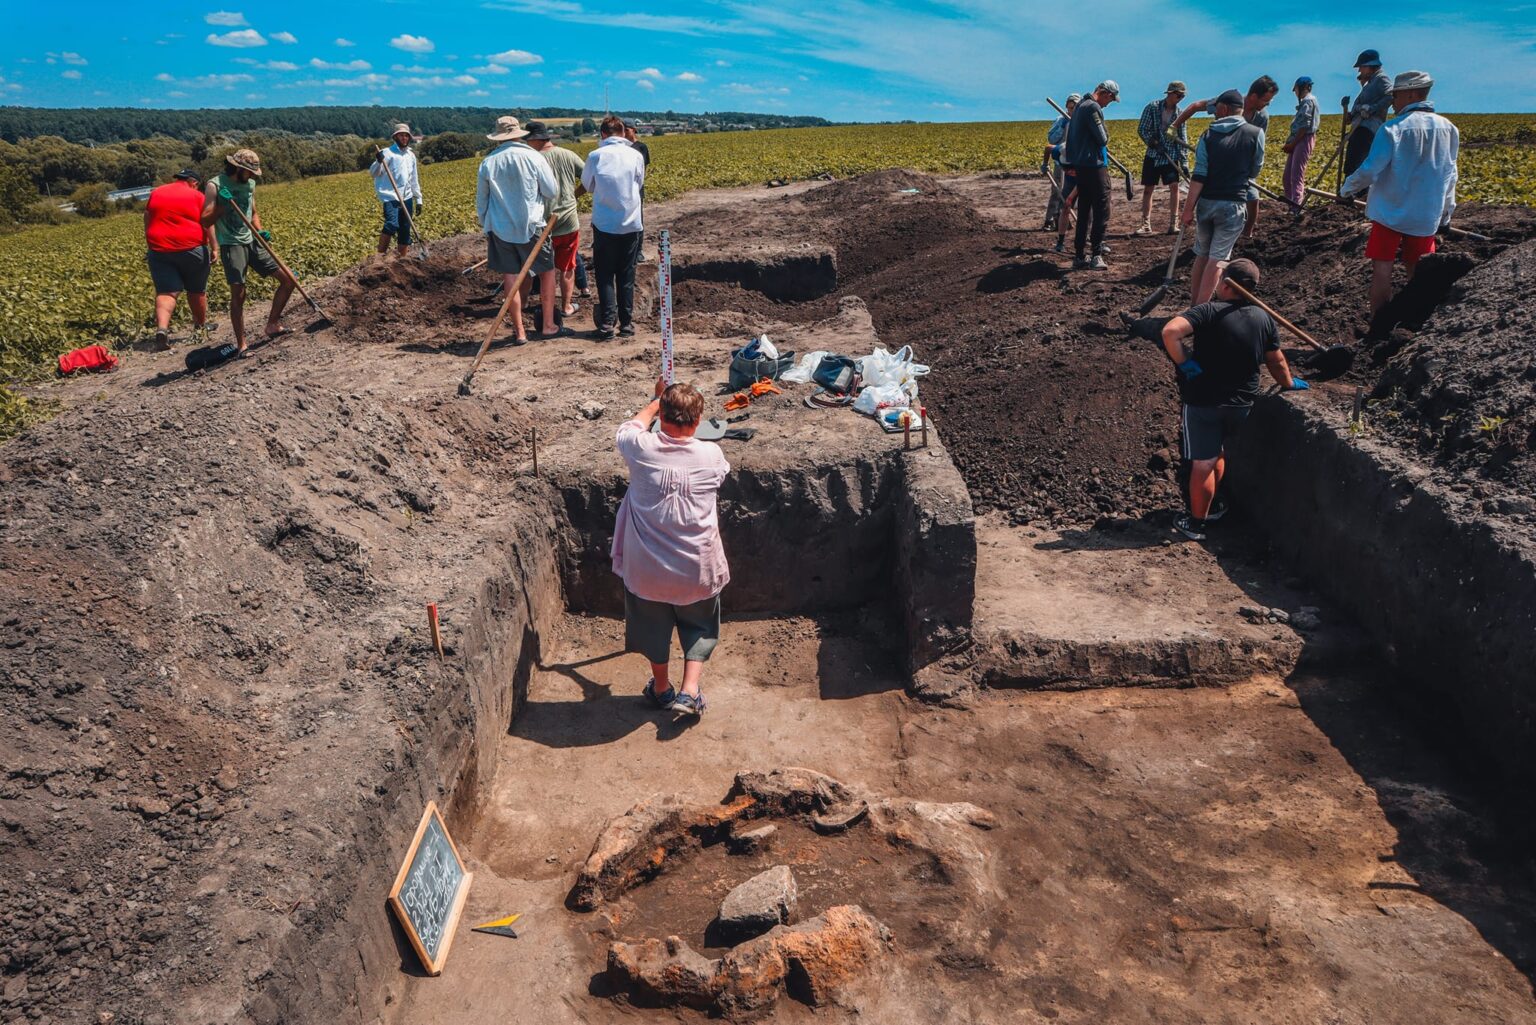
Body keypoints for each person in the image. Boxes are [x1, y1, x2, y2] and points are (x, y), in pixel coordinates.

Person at [1159, 259, 1307, 541]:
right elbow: (1275, 359)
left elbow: (1170, 332)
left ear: (1226, 285)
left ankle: (1196, 523)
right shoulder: (1263, 318)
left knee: (1202, 463)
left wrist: (1185, 362)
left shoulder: (1207, 312)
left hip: (1204, 401)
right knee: (1219, 452)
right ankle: (1213, 505)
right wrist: (1288, 383)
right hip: (1241, 404)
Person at [612, 376, 730, 718]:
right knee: (700, 625)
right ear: (697, 422)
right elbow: (719, 475)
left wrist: (655, 398)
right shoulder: (712, 454)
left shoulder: (640, 448)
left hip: (647, 570)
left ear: (661, 417)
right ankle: (689, 692)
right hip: (698, 568)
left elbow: (630, 426)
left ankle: (661, 689)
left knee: (652, 628)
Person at [1340, 70, 1459, 315]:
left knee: (1382, 269)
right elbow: (1451, 176)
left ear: (1412, 94)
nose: (1393, 101)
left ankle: (1378, 327)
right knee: (1417, 270)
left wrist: (1347, 190)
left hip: (1389, 213)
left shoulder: (1392, 129)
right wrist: (1446, 216)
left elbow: (1371, 169)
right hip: (1426, 216)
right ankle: (1417, 323)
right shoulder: (1449, 129)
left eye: (1396, 96)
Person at [476, 115, 570, 344]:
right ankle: (548, 326)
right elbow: (551, 191)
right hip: (532, 226)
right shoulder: (533, 157)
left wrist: (487, 226)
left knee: (511, 277)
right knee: (547, 272)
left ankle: (520, 332)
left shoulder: (488, 162)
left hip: (501, 228)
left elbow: (482, 202)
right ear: (519, 134)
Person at [203, 149, 297, 354]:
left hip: (251, 240)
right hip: (231, 244)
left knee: (289, 279)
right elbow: (205, 220)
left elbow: (253, 212)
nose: (253, 176)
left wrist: (260, 229)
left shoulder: (250, 185)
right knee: (239, 294)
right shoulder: (215, 185)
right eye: (249, 171)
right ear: (237, 168)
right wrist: (221, 205)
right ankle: (242, 345)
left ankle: (272, 324)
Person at [1181, 90, 1265, 305]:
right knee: (1217, 260)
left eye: (1216, 108)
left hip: (1206, 204)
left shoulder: (1207, 136)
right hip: (1233, 204)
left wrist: (1188, 209)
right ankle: (1200, 311)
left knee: (1202, 254)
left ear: (1224, 109)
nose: (1213, 112)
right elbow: (1255, 170)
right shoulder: (1255, 133)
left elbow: (1199, 175)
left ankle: (1194, 304)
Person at [1173, 76, 1278, 240]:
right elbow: (1195, 106)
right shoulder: (1230, 102)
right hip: (1218, 159)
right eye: (1265, 100)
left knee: (1253, 197)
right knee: (1208, 193)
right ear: (1253, 96)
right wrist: (1174, 126)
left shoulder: (1261, 117)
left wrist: (1248, 172)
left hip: (1240, 166)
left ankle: (1246, 236)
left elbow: (1257, 147)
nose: (1267, 105)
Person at [582, 115, 647, 339]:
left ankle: (608, 323)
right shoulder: (636, 155)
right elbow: (639, 184)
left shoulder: (595, 156)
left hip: (604, 224)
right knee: (627, 275)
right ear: (622, 132)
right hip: (631, 222)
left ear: (602, 134)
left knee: (605, 274)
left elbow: (587, 185)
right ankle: (627, 324)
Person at [143, 169, 212, 351]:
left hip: (159, 249)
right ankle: (199, 328)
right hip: (191, 248)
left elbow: (147, 216)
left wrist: (150, 242)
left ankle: (162, 330)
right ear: (193, 182)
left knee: (166, 292)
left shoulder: (156, 192)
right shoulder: (197, 195)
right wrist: (215, 247)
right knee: (196, 290)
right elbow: (207, 222)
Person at [525, 121, 587, 319]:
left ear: (535, 139)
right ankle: (567, 306)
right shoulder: (568, 154)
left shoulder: (533, 159)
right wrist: (574, 196)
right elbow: (588, 179)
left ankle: (546, 307)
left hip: (543, 223)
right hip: (569, 220)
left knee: (545, 269)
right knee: (567, 267)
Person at [1066, 80, 1119, 271]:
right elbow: (1103, 138)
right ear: (1105, 93)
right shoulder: (1093, 108)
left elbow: (1071, 137)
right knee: (1101, 209)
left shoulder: (1080, 106)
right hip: (1095, 167)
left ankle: (1079, 254)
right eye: (1110, 100)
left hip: (1081, 166)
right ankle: (1096, 253)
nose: (1108, 104)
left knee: (1084, 211)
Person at [1135, 81, 1188, 235]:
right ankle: (1145, 224)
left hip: (1170, 154)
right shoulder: (1152, 107)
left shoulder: (1180, 114)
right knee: (1148, 189)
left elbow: (1182, 138)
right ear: (1170, 93)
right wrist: (1152, 143)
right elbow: (1142, 129)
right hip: (1153, 154)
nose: (1180, 98)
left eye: (1182, 96)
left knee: (1174, 187)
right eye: (1178, 95)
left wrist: (1184, 163)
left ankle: (1174, 223)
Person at [370, 123, 422, 259]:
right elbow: (373, 173)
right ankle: (379, 258)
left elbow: (414, 179)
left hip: (407, 196)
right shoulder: (387, 153)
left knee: (405, 230)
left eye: (406, 135)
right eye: (401, 135)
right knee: (392, 224)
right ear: (395, 137)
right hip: (391, 196)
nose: (404, 138)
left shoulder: (411, 155)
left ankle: (402, 260)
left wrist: (419, 199)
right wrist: (378, 162)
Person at [1345, 49, 1393, 177]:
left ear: (1369, 66)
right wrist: (1352, 115)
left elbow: (1390, 95)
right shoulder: (1371, 82)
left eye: (1361, 67)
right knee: (1351, 163)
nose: (1359, 70)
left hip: (1367, 128)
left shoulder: (1381, 78)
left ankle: (1356, 193)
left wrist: (1372, 109)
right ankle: (1347, 191)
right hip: (1359, 126)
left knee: (1358, 163)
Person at [1043, 93, 1079, 232]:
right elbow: (1051, 140)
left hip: (1075, 162)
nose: (1071, 111)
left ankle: (1063, 219)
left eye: (1074, 108)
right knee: (1057, 189)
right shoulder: (1060, 120)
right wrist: (1062, 127)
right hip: (1061, 161)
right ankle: (1050, 219)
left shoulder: (1081, 121)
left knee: (1072, 192)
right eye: (1069, 108)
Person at [1282, 77, 1320, 212]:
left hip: (1304, 139)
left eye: (1296, 89)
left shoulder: (1308, 101)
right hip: (1298, 139)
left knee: (1296, 175)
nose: (1295, 92)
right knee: (1287, 176)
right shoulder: (1306, 102)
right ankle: (1290, 203)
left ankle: (1296, 206)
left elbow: (1304, 127)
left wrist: (1293, 144)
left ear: (1302, 88)